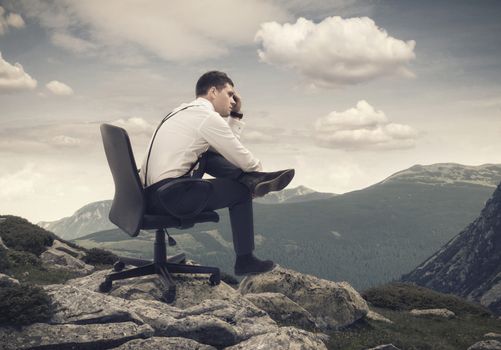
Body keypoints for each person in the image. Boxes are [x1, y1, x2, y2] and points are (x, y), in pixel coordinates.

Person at [139, 70, 294, 275]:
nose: (233, 100)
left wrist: (235, 115)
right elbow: (238, 154)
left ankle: (253, 181)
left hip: (147, 195)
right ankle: (245, 260)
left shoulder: (180, 112)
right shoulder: (206, 117)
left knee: (207, 155)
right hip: (170, 196)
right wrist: (256, 171)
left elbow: (221, 148)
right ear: (213, 91)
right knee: (240, 191)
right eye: (229, 94)